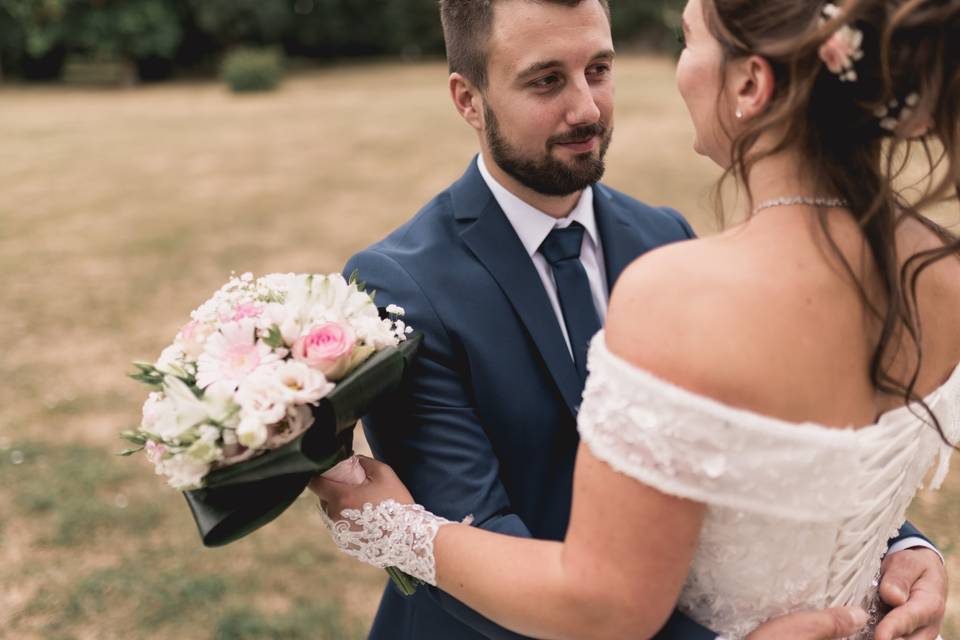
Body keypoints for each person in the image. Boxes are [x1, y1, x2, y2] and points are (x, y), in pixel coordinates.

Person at [323, 0, 952, 638]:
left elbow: (774, 447)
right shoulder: (401, 285)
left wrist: (901, 544)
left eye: (598, 69)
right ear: (469, 99)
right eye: (547, 80)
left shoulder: (663, 237)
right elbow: (480, 542)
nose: (588, 109)